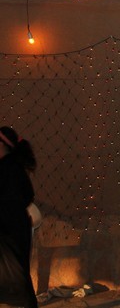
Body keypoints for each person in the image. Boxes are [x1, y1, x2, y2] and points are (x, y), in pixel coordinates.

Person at [0, 126, 38, 308]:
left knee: (16, 270)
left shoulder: (7, 167)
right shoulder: (14, 166)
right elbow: (28, 195)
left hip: (8, 227)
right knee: (16, 269)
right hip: (15, 225)